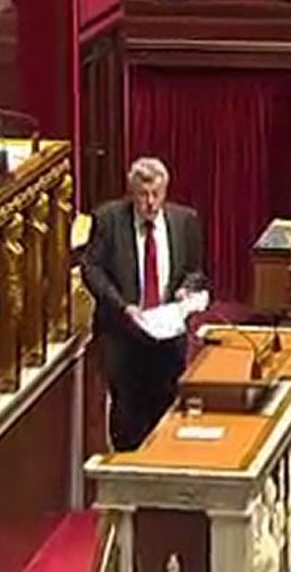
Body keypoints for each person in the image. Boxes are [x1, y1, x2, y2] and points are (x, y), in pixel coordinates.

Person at [82, 157, 205, 451]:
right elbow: (92, 269)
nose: (150, 203)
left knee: (165, 404)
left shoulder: (184, 221)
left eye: (156, 195)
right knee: (128, 411)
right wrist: (123, 306)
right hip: (124, 333)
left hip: (167, 333)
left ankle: (162, 468)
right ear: (131, 193)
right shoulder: (108, 220)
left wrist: (186, 290)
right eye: (142, 195)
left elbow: (195, 271)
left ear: (165, 192)